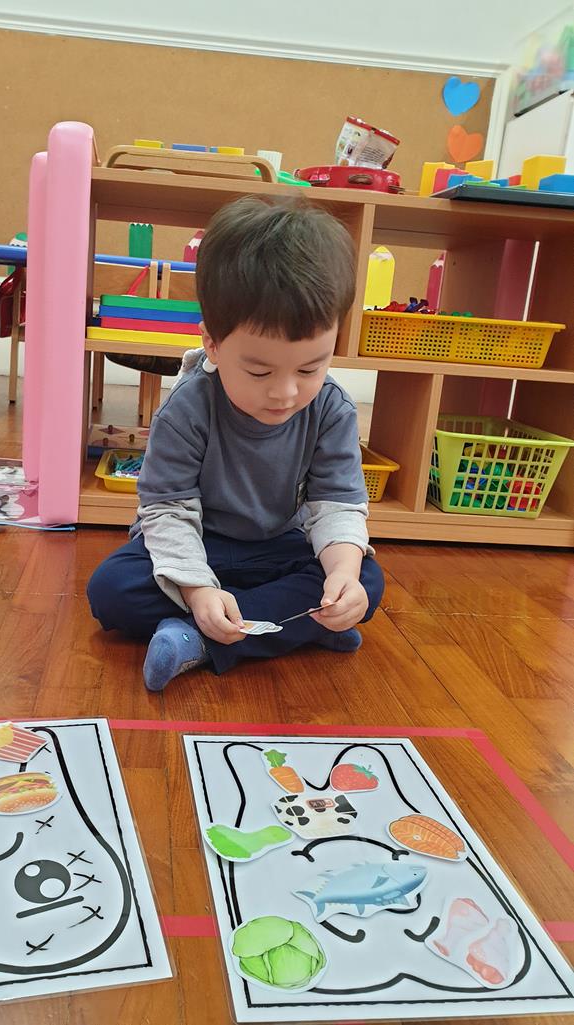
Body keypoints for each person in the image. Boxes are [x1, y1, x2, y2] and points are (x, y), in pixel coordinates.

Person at [87, 196, 384, 691]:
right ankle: (300, 628)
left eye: (310, 368)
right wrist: (198, 589)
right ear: (213, 343)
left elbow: (336, 504)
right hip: (198, 544)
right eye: (260, 371)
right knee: (112, 590)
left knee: (366, 582)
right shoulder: (187, 408)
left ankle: (199, 640)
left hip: (278, 550)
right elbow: (166, 510)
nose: (285, 392)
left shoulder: (332, 408)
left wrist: (343, 575)